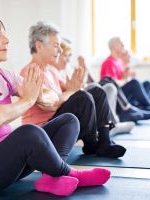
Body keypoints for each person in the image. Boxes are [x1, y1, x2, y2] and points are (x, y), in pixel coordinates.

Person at [0, 14, 110, 197]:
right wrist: (29, 100)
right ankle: (68, 172)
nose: (7, 40)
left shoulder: (2, 75)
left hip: (6, 164)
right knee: (29, 132)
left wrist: (40, 94)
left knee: (69, 120)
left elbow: (46, 97)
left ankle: (51, 176)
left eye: (5, 35)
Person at [20, 21, 126, 158]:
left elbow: (75, 89)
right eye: (56, 46)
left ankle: (104, 142)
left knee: (97, 92)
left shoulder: (50, 72)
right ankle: (92, 142)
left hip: (61, 122)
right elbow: (50, 105)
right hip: (43, 132)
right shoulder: (30, 72)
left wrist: (78, 83)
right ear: (39, 46)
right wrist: (72, 90)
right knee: (83, 97)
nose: (60, 51)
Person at [54, 39, 135, 135]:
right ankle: (118, 118)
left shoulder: (67, 69)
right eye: (65, 55)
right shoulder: (56, 73)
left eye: (69, 56)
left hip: (82, 92)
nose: (68, 59)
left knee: (110, 87)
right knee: (107, 81)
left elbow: (84, 84)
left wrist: (83, 69)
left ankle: (113, 122)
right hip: (77, 99)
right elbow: (75, 89)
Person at [101, 37, 150, 114]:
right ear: (113, 47)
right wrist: (126, 78)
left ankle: (140, 106)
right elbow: (113, 86)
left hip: (124, 92)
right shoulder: (108, 63)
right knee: (134, 83)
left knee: (147, 84)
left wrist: (128, 76)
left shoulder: (119, 62)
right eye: (120, 43)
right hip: (118, 97)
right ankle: (149, 107)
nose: (123, 45)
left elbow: (123, 79)